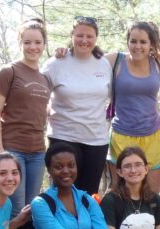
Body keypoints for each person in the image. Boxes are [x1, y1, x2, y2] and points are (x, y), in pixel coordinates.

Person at [41, 16, 111, 195]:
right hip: (63, 136)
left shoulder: (104, 64)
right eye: (80, 35)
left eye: (89, 36)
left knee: (89, 195)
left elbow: (114, 98)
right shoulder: (55, 63)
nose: (84, 41)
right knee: (63, 193)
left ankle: (85, 224)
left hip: (96, 139)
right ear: (72, 35)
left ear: (96, 38)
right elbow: (38, 98)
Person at [0, 20, 51, 216]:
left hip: (37, 152)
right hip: (12, 149)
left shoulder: (45, 78)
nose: (33, 47)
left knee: (29, 209)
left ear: (44, 44)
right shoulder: (9, 71)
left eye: (37, 42)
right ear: (20, 43)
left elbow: (39, 110)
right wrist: (0, 153)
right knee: (14, 208)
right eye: (27, 42)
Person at [105, 22, 160, 194]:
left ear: (151, 44)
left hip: (152, 136)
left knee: (152, 193)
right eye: (133, 41)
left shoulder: (158, 61)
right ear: (127, 42)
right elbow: (87, 59)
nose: (138, 46)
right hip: (121, 135)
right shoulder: (115, 60)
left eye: (143, 42)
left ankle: (152, 222)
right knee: (120, 193)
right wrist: (64, 53)